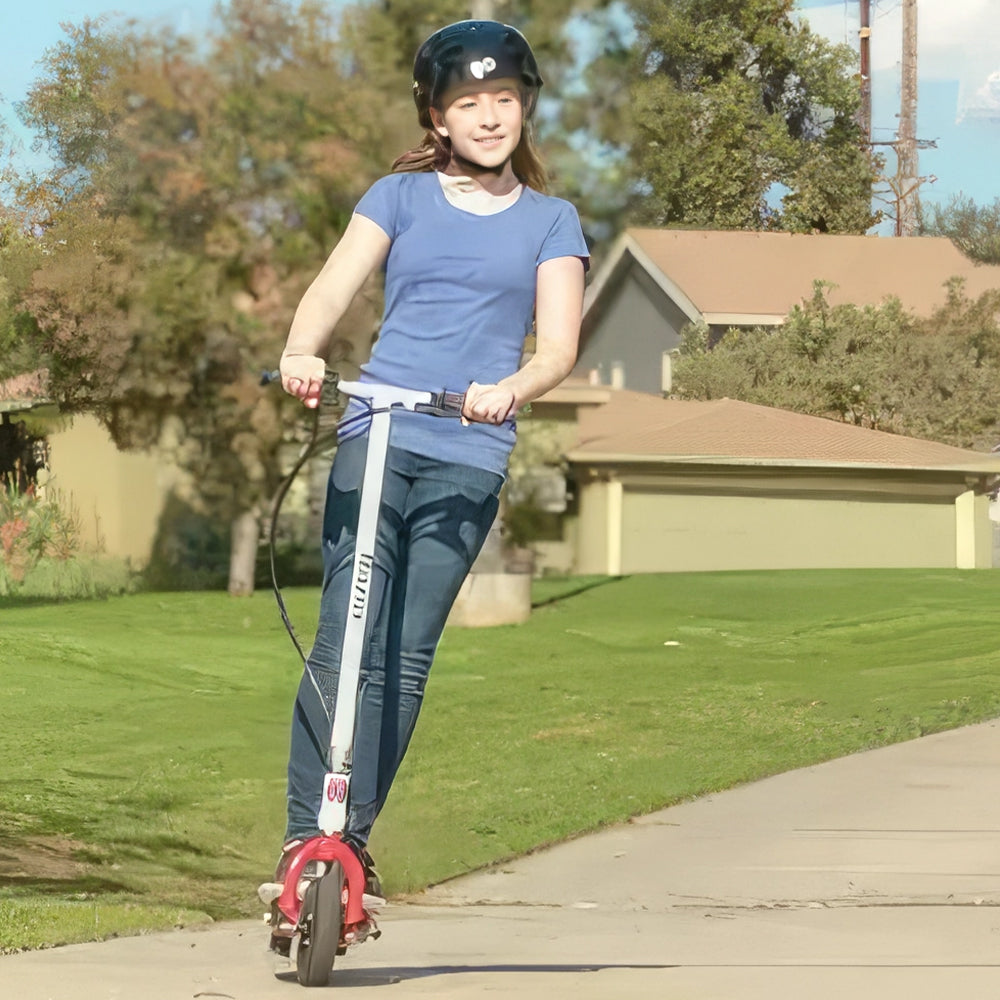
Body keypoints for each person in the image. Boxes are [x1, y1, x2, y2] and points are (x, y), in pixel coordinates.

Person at [268, 18, 589, 945]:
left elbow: (559, 347)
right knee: (344, 643)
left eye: (503, 99)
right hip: (378, 427)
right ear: (439, 118)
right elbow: (333, 288)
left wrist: (509, 389)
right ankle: (301, 849)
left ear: (522, 107)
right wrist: (302, 349)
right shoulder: (398, 197)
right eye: (468, 103)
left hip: (468, 447)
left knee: (404, 659)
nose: (489, 117)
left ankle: (350, 851)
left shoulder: (551, 221)